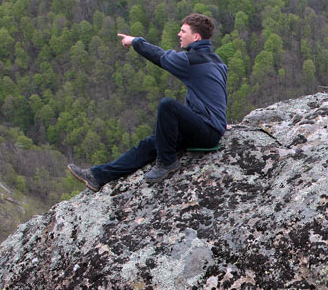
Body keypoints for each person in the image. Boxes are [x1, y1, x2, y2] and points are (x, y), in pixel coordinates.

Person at [68, 13, 228, 191]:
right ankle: (97, 176)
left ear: (196, 36)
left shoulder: (191, 60)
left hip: (207, 132)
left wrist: (136, 41)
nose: (179, 34)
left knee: (168, 106)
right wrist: (219, 119)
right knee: (151, 143)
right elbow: (217, 91)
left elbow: (161, 57)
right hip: (209, 128)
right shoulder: (217, 61)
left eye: (183, 31)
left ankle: (167, 163)